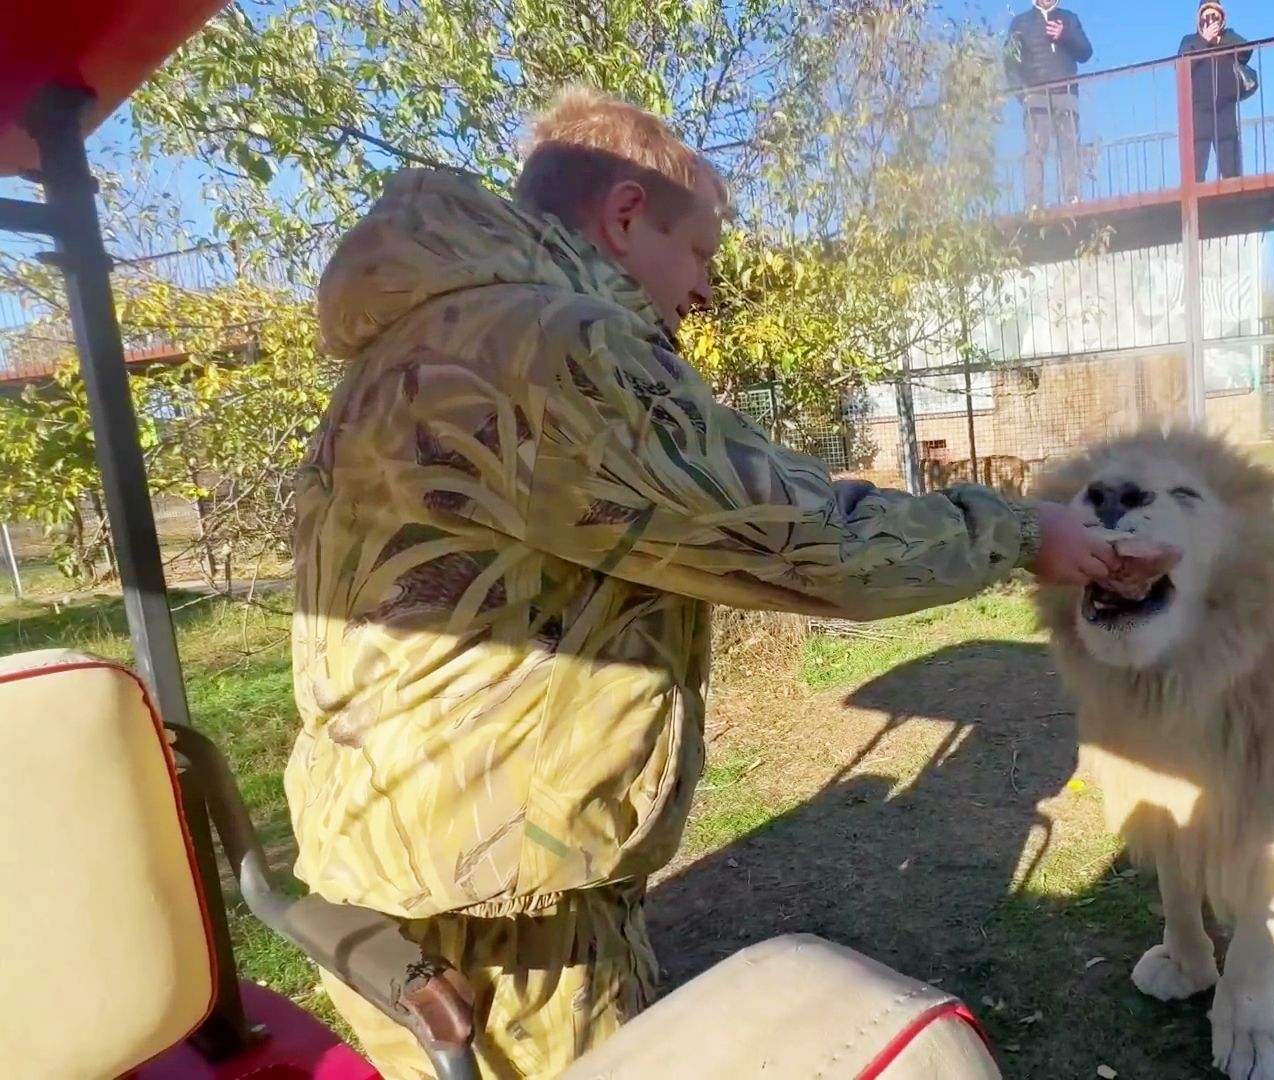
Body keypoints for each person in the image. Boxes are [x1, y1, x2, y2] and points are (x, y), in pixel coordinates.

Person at [283, 86, 1127, 1079]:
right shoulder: (553, 346)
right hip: (500, 900)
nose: (705, 291)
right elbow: (804, 540)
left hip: (402, 851)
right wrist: (1022, 532)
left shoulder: (422, 338)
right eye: (699, 254)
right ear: (625, 214)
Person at [1003, 0, 1093, 206]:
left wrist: (1066, 35)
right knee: (1036, 149)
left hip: (1066, 91)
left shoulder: (1069, 19)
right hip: (1035, 95)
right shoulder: (1020, 23)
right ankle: (1034, 202)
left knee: (1069, 146)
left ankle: (1072, 197)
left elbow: (1086, 52)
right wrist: (1022, 94)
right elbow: (1009, 63)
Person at [1178, 0, 1258, 182]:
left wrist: (1220, 41)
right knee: (1197, 156)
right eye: (1206, 17)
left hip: (1225, 106)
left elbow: (1246, 50)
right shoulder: (1190, 41)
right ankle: (1195, 192)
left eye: (1215, 16)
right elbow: (1181, 65)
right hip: (1199, 108)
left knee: (1230, 157)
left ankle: (1234, 194)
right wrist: (1204, 42)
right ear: (1199, 20)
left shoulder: (1229, 37)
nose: (1211, 21)